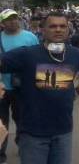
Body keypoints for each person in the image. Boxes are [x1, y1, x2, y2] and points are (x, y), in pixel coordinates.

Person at [0, 11, 79, 164]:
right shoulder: (27, 54)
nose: (58, 29)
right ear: (43, 30)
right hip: (33, 133)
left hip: (63, 131)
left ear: (68, 29)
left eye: (62, 26)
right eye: (53, 26)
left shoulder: (75, 55)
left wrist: (78, 90)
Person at [0, 9, 39, 163]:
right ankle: (1, 153)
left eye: (15, 18)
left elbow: (38, 60)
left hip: (23, 88)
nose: (13, 21)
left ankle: (22, 145)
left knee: (21, 119)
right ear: (2, 23)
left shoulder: (30, 37)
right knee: (1, 121)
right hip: (2, 88)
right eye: (9, 19)